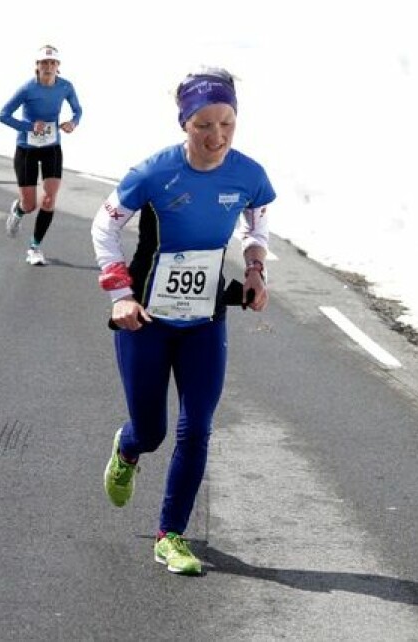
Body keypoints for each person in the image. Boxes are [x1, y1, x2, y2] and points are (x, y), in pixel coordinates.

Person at [90, 67, 275, 575]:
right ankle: (127, 449)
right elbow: (103, 228)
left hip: (204, 320)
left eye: (227, 124)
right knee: (152, 432)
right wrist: (121, 294)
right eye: (203, 126)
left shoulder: (249, 175)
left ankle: (170, 535)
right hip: (146, 320)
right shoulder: (153, 173)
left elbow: (257, 223)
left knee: (196, 428)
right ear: (184, 124)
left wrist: (255, 268)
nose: (217, 137)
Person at [0, 44, 83, 266]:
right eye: (44, 62)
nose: (48, 66)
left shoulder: (65, 86)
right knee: (30, 205)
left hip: (51, 147)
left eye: (52, 62)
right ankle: (18, 210)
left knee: (49, 199)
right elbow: (3, 115)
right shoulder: (27, 89)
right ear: (37, 65)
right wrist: (29, 127)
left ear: (58, 66)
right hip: (26, 148)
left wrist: (73, 123)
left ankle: (34, 247)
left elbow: (78, 110)